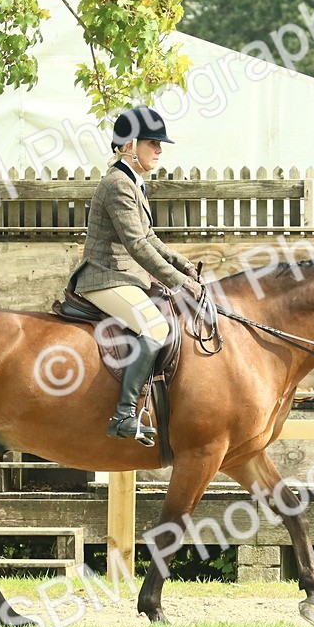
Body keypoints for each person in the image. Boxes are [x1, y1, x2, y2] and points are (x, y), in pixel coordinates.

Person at [67, 106, 204, 446]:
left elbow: (150, 237)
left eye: (160, 144)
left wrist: (184, 265)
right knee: (155, 327)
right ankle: (125, 414)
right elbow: (137, 244)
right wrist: (178, 282)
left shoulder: (134, 182)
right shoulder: (117, 184)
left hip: (124, 277)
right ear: (129, 145)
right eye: (153, 143)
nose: (159, 150)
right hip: (104, 277)